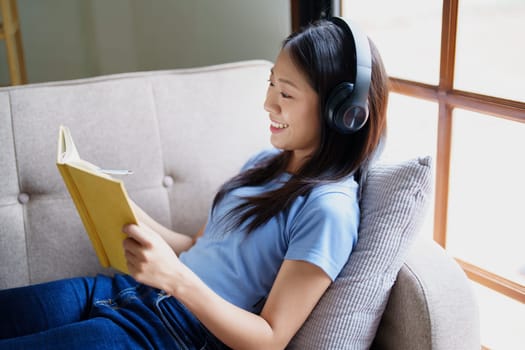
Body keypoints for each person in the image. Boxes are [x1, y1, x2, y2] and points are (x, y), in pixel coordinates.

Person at [0, 17, 388, 350]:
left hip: (171, 333)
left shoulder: (329, 210)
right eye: (271, 84)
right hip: (125, 293)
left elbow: (269, 339)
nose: (268, 104)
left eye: (286, 93)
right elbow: (200, 247)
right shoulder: (267, 162)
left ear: (342, 114)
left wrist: (176, 278)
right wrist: (115, 204)